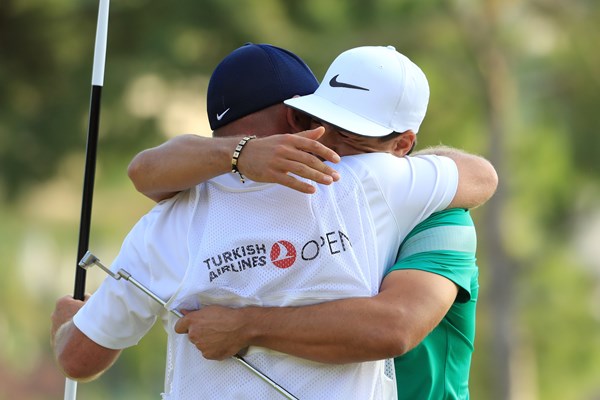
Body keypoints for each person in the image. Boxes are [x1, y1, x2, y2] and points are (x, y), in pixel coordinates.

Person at [52, 44, 496, 399]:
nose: (336, 145)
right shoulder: (377, 179)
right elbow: (480, 174)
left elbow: (393, 327)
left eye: (350, 130)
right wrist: (241, 156)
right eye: (327, 122)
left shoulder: (161, 225)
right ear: (300, 116)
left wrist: (68, 323)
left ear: (403, 144)